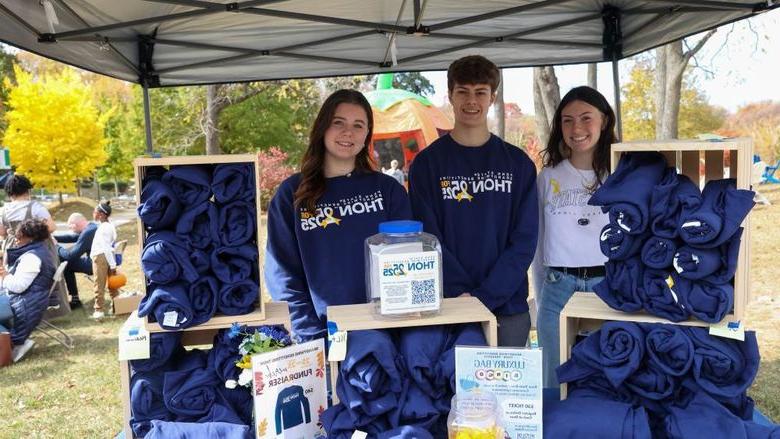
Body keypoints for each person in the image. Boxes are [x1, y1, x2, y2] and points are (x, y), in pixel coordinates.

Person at [408, 55, 538, 347]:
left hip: (508, 308)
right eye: (463, 91)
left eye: (480, 92)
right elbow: (426, 238)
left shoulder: (518, 164)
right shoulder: (427, 165)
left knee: (505, 393)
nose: (471, 100)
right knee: (449, 392)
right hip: (448, 306)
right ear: (450, 96)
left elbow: (525, 241)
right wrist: (460, 295)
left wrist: (486, 296)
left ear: (492, 97)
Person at [265, 89, 412, 342]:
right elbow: (282, 273)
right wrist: (312, 334)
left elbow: (408, 259)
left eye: (358, 125)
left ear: (367, 135)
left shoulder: (388, 190)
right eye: (338, 123)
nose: (348, 133)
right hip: (321, 334)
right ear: (323, 127)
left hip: (385, 332)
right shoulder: (292, 193)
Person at [531, 86, 616, 388]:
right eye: (567, 120)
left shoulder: (620, 174)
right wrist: (540, 297)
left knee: (606, 375)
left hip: (608, 286)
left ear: (604, 121)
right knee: (553, 380)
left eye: (585, 118)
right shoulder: (548, 177)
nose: (576, 128)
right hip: (558, 286)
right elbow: (540, 242)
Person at [0, 218, 57, 362]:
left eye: (19, 236)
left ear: (29, 237)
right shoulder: (40, 251)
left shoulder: (32, 257)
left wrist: (5, 274)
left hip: (24, 302)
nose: (16, 240)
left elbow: (18, 287)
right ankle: (10, 343)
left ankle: (12, 344)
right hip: (27, 300)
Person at [0, 174, 57, 261]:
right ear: (27, 190)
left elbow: (2, 232)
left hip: (13, 250)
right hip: (36, 249)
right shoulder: (35, 207)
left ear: (9, 192)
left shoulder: (3, 210)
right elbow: (51, 227)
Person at [53, 213, 97, 309]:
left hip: (95, 265)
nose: (72, 231)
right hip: (101, 262)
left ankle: (75, 299)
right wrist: (53, 237)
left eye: (71, 228)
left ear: (74, 225)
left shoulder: (88, 233)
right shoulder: (92, 227)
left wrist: (56, 246)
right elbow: (73, 237)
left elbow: (70, 256)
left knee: (67, 262)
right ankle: (75, 298)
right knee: (68, 264)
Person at [90, 201, 117, 319]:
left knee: (99, 284)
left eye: (95, 211)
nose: (93, 213)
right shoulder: (107, 226)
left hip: (101, 257)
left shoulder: (104, 228)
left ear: (101, 214)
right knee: (112, 284)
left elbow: (106, 247)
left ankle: (99, 310)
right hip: (105, 256)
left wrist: (112, 264)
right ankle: (116, 307)